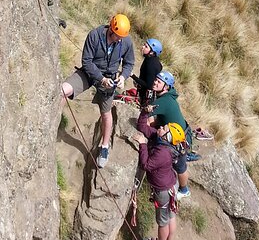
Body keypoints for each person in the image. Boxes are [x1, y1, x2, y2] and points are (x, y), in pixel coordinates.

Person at [61, 14, 135, 168]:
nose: (120, 39)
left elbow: (129, 63)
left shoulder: (126, 41)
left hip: (109, 79)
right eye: (118, 36)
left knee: (106, 113)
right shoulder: (94, 36)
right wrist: (101, 79)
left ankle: (104, 146)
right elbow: (86, 62)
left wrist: (123, 76)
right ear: (111, 30)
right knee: (63, 90)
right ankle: (53, 123)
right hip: (90, 74)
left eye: (122, 36)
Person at [133, 111, 184, 240]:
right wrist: (145, 112)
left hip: (163, 191)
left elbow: (146, 165)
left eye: (164, 129)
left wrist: (143, 144)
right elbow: (142, 126)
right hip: (171, 185)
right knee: (171, 216)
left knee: (163, 222)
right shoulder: (163, 141)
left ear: (168, 137)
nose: (160, 127)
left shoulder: (163, 153)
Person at [147, 71, 191, 200]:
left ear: (166, 87)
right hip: (176, 132)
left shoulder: (164, 101)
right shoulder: (167, 98)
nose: (155, 82)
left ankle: (184, 190)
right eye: (156, 79)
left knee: (180, 166)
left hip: (178, 139)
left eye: (159, 82)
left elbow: (146, 115)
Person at [131, 38, 162, 106]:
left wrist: (133, 76)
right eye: (144, 45)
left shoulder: (151, 65)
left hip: (146, 97)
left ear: (152, 52)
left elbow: (149, 85)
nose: (143, 47)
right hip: (145, 93)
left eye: (146, 46)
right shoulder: (150, 59)